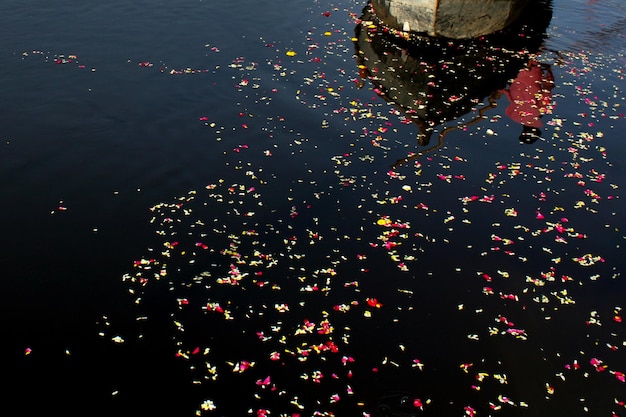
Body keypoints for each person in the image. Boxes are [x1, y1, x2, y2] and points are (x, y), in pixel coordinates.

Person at [497, 57, 555, 144]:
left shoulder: (541, 110)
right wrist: (501, 90)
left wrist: (549, 71)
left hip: (533, 75)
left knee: (534, 54)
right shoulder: (513, 116)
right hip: (514, 78)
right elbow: (512, 98)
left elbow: (547, 88)